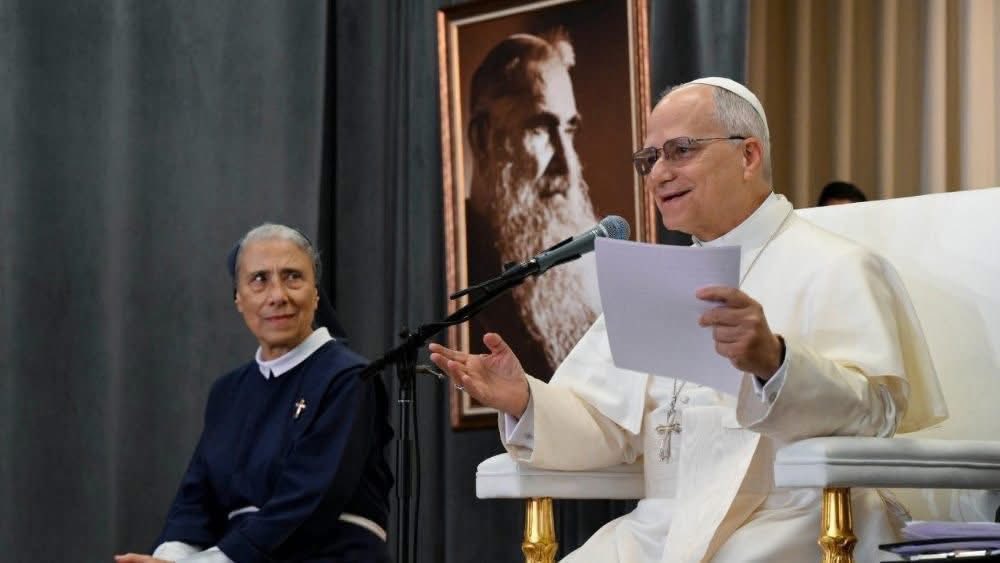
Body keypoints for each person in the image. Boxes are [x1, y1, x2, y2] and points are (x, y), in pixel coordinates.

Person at [431, 78, 948, 562]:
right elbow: (608, 427)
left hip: (791, 521)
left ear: (749, 155)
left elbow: (878, 413)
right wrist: (524, 400)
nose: (659, 173)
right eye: (650, 158)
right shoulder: (656, 280)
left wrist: (777, 364)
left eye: (681, 150)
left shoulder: (837, 265)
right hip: (663, 529)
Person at [115, 223, 393, 563]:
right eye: (259, 279)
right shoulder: (227, 393)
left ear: (316, 293)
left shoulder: (348, 379)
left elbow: (310, 501)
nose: (278, 295)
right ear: (238, 298)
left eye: (293, 277)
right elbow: (195, 500)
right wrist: (171, 557)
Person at [465, 31, 602, 376]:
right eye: (540, 129)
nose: (567, 165)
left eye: (569, 131)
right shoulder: (457, 264)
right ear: (482, 140)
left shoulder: (585, 271)